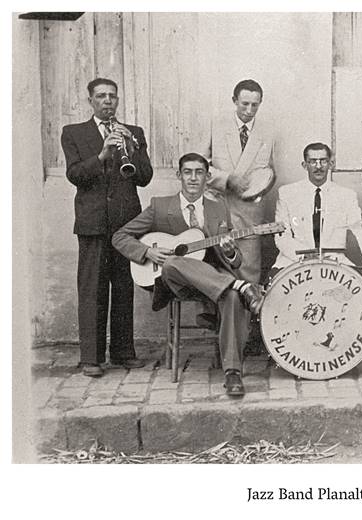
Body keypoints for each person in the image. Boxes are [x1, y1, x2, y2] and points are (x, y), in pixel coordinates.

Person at [112, 153, 264, 397]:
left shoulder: (218, 208)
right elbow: (119, 237)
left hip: (212, 281)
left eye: (199, 172)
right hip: (175, 282)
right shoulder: (159, 206)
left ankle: (233, 373)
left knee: (232, 297)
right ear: (179, 176)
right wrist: (147, 252)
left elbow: (234, 260)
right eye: (188, 172)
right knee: (173, 262)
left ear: (207, 177)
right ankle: (240, 286)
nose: (193, 178)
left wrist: (230, 251)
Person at [61, 78, 153, 378]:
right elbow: (75, 174)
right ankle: (91, 357)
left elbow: (144, 178)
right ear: (90, 100)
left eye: (113, 96)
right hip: (93, 223)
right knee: (92, 291)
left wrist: (132, 147)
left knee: (124, 288)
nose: (108, 101)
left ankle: (124, 352)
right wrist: (102, 155)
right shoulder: (74, 133)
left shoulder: (134, 132)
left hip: (126, 224)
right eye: (101, 96)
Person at [200, 79, 275, 354]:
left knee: (250, 271)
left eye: (255, 104)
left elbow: (268, 171)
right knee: (219, 269)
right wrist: (227, 179)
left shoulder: (267, 131)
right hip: (218, 205)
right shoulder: (216, 125)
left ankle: (248, 339)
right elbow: (199, 165)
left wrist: (259, 186)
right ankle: (221, 337)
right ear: (234, 101)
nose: (249, 110)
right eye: (244, 103)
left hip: (250, 212)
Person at [273, 142, 362, 273]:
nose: (318, 166)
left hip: (334, 261)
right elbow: (281, 237)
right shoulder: (287, 193)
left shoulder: (347, 195)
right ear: (304, 165)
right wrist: (305, 256)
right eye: (313, 161)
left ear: (331, 164)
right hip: (294, 260)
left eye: (323, 161)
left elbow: (361, 232)